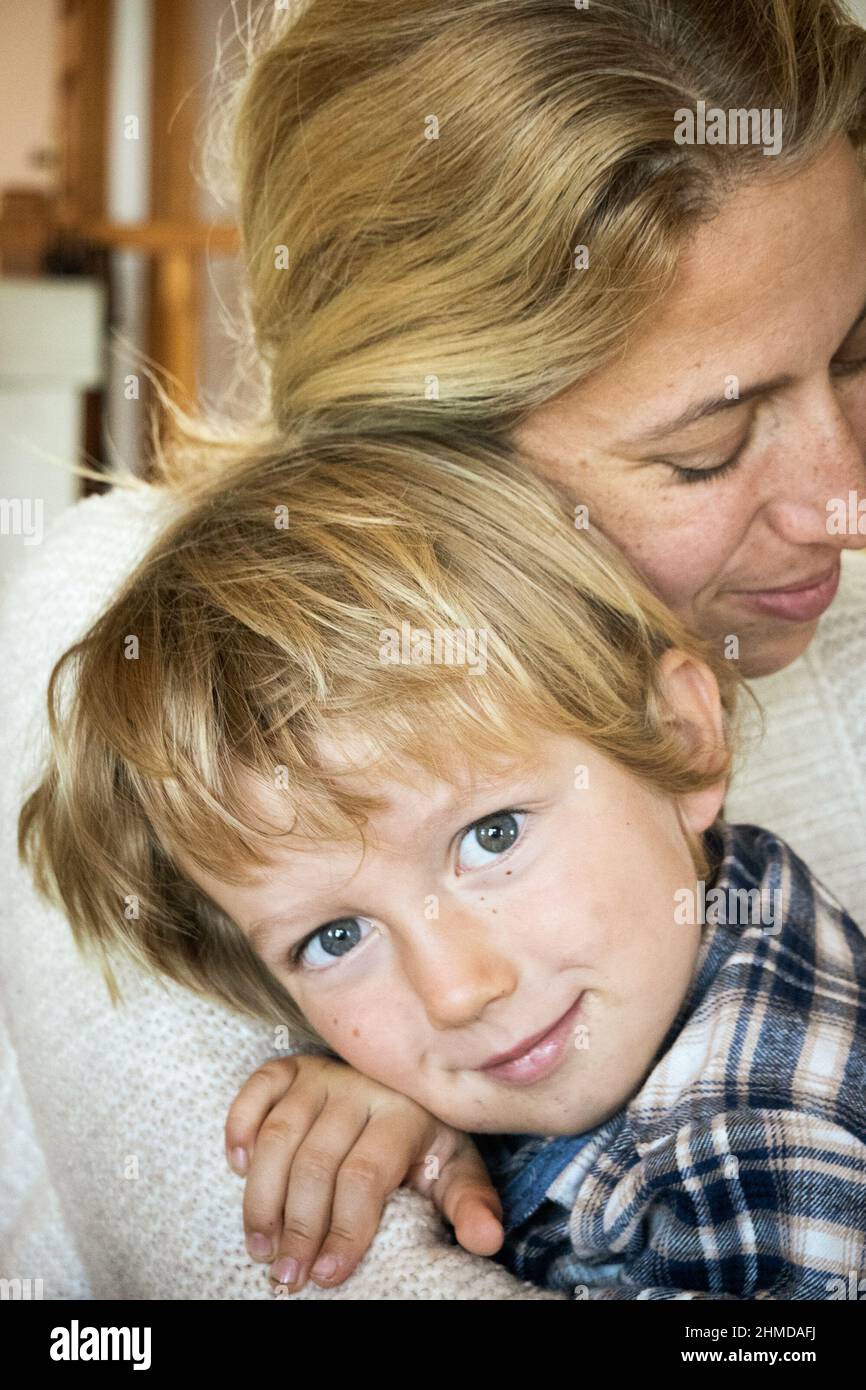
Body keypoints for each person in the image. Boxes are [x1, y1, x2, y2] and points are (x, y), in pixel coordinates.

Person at [17, 434, 866, 1300]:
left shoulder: (753, 1151)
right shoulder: (700, 934)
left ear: (677, 736)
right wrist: (409, 1119)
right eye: (336, 937)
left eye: (492, 837)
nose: (457, 990)